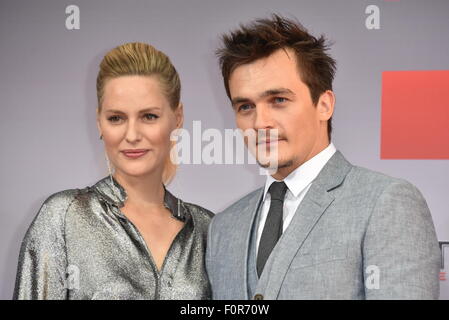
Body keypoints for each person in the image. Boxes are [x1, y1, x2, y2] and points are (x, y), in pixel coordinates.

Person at [205, 15, 440, 299]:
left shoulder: (385, 203)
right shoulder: (223, 227)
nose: (260, 122)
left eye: (279, 100)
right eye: (245, 106)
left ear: (324, 105)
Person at [13, 42, 213, 299]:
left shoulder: (209, 229)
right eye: (116, 118)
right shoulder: (63, 218)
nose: (132, 135)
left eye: (149, 116)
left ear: (178, 118)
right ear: (99, 122)